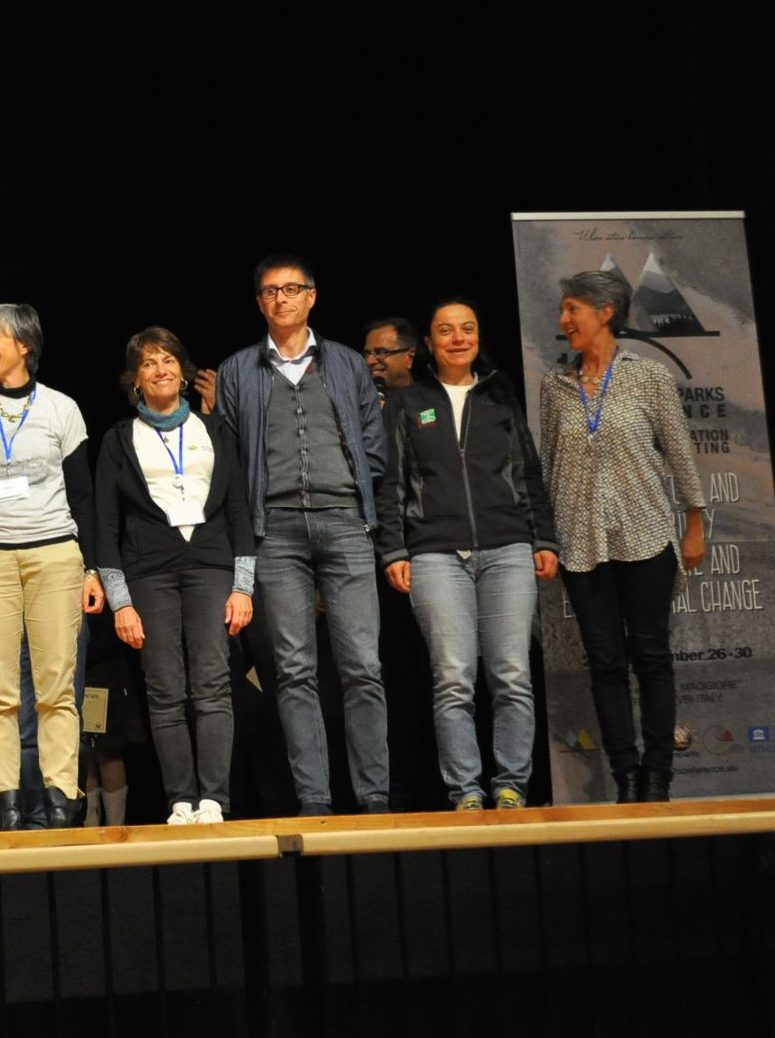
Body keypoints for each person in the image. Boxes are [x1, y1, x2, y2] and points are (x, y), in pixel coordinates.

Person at [215, 254, 390, 816]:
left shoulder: (346, 362)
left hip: (345, 522)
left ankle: (374, 798)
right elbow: (230, 457)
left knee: (363, 666)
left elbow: (373, 443)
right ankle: (315, 800)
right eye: (270, 291)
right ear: (258, 302)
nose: (281, 299)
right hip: (276, 530)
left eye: (292, 289)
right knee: (293, 671)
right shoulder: (238, 370)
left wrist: (357, 500)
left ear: (312, 297)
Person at [376, 300, 560, 811]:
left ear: (478, 337)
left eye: (468, 329)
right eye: (446, 331)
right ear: (428, 344)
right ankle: (466, 792)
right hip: (435, 554)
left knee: (512, 675)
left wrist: (543, 540)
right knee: (454, 678)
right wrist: (393, 548)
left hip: (507, 550)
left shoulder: (500, 396)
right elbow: (391, 482)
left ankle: (511, 786)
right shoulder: (407, 403)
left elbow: (528, 473)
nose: (458, 338)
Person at [0, 304, 105, 830]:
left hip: (54, 553)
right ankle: (5, 804)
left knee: (57, 686)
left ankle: (60, 799)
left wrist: (92, 570)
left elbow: (82, 496)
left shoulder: (61, 408)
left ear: (24, 344)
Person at [540, 271, 706, 804]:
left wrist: (695, 523)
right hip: (580, 542)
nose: (564, 320)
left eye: (572, 309)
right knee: (606, 663)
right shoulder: (555, 385)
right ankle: (626, 775)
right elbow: (547, 466)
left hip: (646, 535)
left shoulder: (649, 376)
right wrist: (545, 537)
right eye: (564, 310)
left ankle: (658, 775)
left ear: (604, 312)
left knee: (651, 656)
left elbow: (679, 452)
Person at [96, 327, 254, 824]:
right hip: (148, 573)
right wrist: (120, 601)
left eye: (168, 360)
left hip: (211, 566)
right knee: (164, 689)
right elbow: (105, 526)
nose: (160, 369)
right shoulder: (119, 439)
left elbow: (239, 512)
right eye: (148, 363)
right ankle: (180, 801)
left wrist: (243, 587)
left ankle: (215, 801)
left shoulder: (216, 430)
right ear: (135, 379)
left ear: (183, 373)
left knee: (212, 684)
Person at [361, 317, 418, 396]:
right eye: (367, 354)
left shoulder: (430, 399)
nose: (369, 361)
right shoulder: (354, 401)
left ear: (410, 357)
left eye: (381, 352)